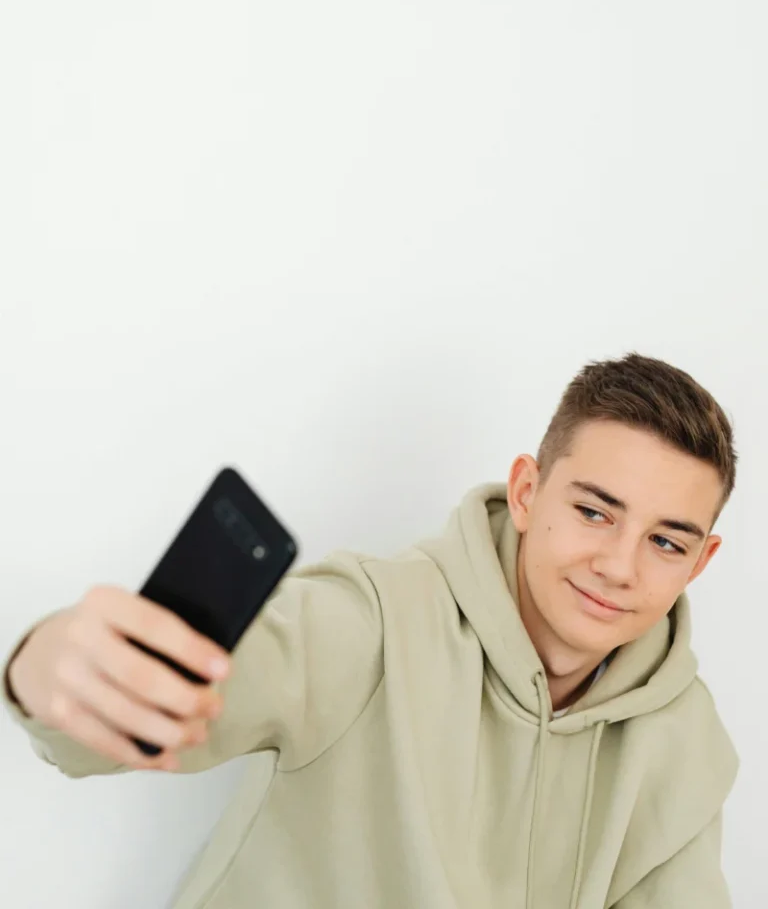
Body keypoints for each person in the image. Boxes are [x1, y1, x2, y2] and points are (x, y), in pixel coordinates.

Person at [2, 353, 739, 908]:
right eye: (594, 512)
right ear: (526, 492)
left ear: (700, 563)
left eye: (666, 542)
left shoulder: (685, 742)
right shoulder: (371, 623)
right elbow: (119, 721)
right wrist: (48, 665)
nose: (618, 566)